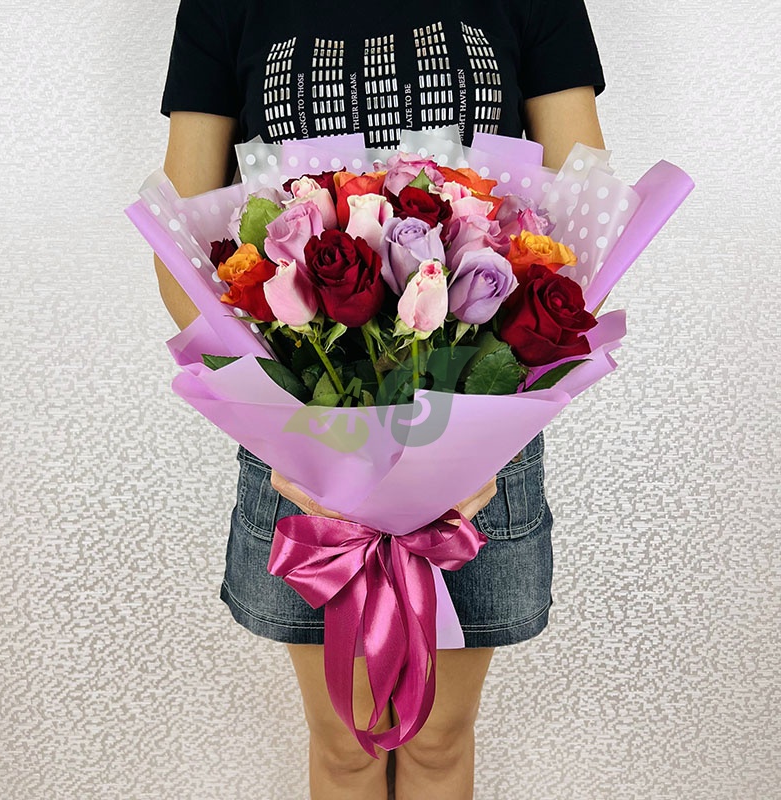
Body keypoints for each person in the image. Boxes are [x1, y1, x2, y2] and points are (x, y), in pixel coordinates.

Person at [155, 2, 606, 797]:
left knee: (437, 742)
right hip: (299, 449)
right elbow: (178, 253)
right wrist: (291, 430)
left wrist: (484, 432)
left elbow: (581, 226)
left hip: (480, 458)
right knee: (346, 745)